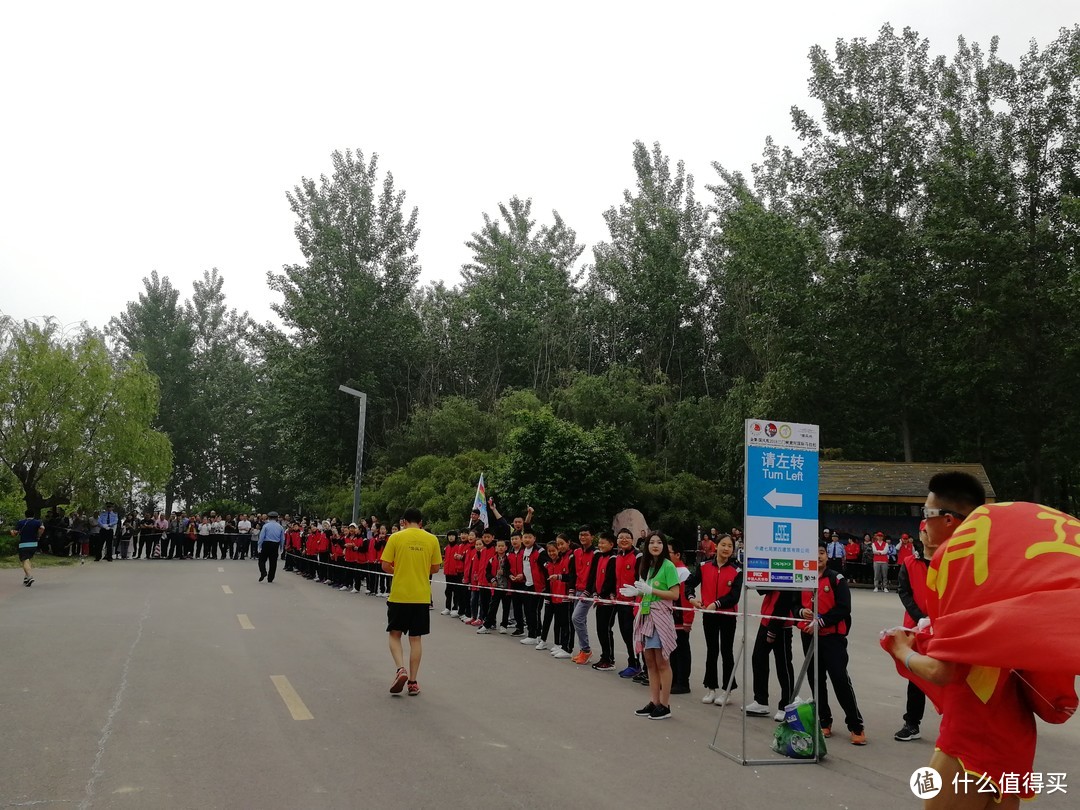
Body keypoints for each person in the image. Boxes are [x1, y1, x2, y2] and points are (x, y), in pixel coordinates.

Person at [883, 471, 1035, 809]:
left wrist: (902, 651)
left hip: (972, 730)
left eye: (926, 513)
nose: (924, 523)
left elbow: (945, 672)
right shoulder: (1005, 565)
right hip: (1015, 730)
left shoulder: (958, 568)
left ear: (948, 520)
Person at [798, 543, 866, 745]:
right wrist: (801, 613)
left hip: (832, 638)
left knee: (840, 680)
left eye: (821, 553)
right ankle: (824, 721)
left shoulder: (836, 579)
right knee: (816, 680)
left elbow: (844, 608)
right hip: (809, 636)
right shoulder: (801, 578)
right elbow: (792, 606)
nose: (818, 556)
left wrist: (821, 621)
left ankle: (856, 725)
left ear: (827, 557)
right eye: (813, 553)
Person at [381, 507, 442, 696]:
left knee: (394, 634)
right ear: (421, 522)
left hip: (399, 594)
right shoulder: (431, 539)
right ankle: (413, 682)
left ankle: (401, 669)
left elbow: (385, 565)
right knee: (415, 639)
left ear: (404, 522)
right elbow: (435, 567)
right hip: (421, 595)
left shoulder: (396, 538)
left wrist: (398, 572)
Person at [624, 532, 682, 720]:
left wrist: (651, 590)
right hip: (647, 615)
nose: (655, 545)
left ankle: (665, 705)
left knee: (662, 662)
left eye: (659, 542)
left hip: (660, 617)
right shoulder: (648, 567)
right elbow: (646, 592)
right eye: (651, 542)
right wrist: (638, 593)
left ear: (664, 546)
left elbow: (674, 594)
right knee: (649, 661)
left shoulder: (668, 566)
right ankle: (654, 701)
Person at [687, 534, 742, 705]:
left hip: (727, 616)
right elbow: (689, 583)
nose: (726, 549)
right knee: (712, 650)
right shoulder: (703, 566)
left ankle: (727, 690)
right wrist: (691, 598)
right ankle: (711, 688)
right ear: (716, 546)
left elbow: (734, 596)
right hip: (709, 616)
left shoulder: (737, 570)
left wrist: (716, 604)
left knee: (726, 651)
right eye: (723, 545)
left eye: (730, 546)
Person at [894, 519, 930, 743]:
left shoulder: (949, 560)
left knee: (953, 676)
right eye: (925, 531)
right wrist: (920, 618)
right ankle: (912, 723)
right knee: (916, 676)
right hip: (915, 628)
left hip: (944, 626)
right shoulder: (908, 562)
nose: (929, 534)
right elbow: (904, 592)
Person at [567, 525, 596, 665]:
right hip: (577, 590)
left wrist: (589, 591)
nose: (583, 537)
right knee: (581, 620)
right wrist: (571, 589)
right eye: (581, 535)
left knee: (576, 618)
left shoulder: (596, 553)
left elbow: (594, 575)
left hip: (587, 592)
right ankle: (583, 651)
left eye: (586, 534)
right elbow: (572, 573)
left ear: (592, 537)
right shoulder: (576, 552)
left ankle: (586, 650)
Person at [11, 509, 45, 586]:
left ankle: (29, 576)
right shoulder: (38, 522)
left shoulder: (21, 522)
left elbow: (14, 533)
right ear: (33, 515)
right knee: (28, 560)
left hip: (23, 544)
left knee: (24, 560)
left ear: (25, 515)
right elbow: (42, 528)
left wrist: (12, 532)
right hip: (34, 544)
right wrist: (39, 535)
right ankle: (26, 578)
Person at [257, 511, 285, 583]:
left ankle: (263, 572)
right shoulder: (280, 527)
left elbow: (261, 537)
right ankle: (270, 578)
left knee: (262, 560)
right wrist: (281, 547)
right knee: (273, 562)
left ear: (268, 518)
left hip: (266, 544)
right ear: (276, 518)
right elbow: (282, 539)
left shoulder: (266, 526)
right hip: (275, 545)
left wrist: (259, 546)